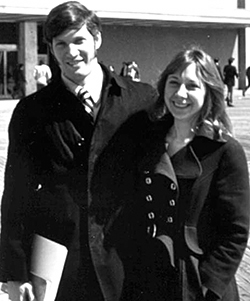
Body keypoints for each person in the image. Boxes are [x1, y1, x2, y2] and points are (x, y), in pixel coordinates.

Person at [0, 1, 157, 301]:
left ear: (97, 39)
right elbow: (16, 195)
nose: (71, 52)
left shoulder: (140, 100)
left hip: (125, 260)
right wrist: (15, 271)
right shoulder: (32, 112)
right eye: (61, 44)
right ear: (51, 48)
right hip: (60, 265)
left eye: (79, 40)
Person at [91, 47, 250, 300]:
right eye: (174, 83)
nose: (180, 94)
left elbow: (235, 232)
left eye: (192, 86)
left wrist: (209, 287)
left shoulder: (225, 150)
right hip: (149, 278)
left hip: (198, 282)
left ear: (209, 91)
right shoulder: (148, 139)